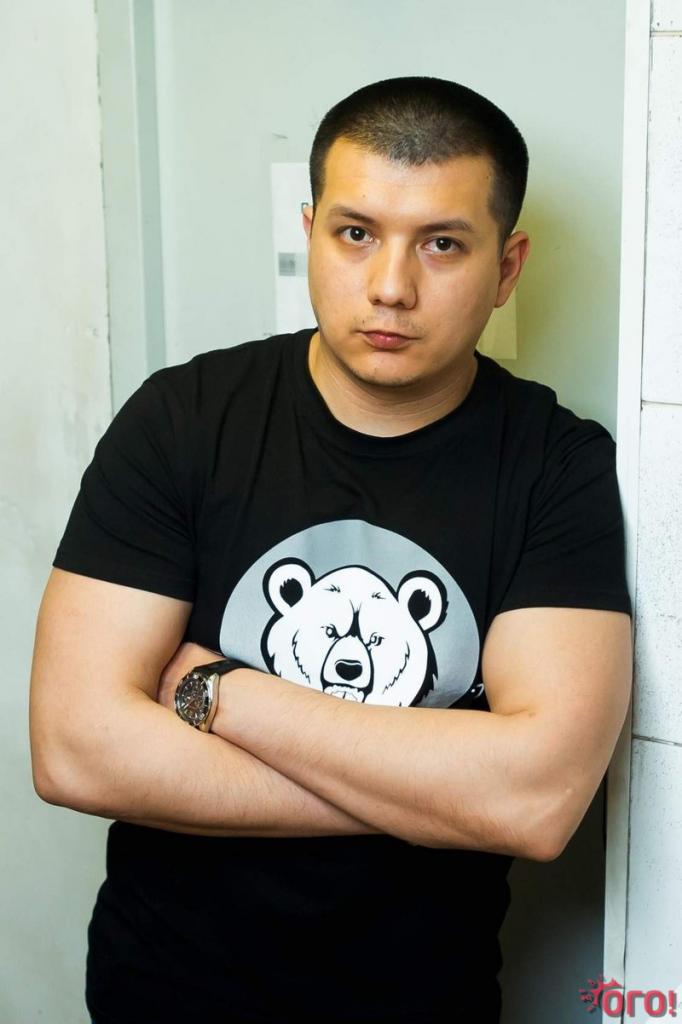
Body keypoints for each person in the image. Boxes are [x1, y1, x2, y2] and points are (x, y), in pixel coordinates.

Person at [29, 76, 633, 1024]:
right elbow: (75, 752)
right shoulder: (183, 420)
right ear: (310, 231)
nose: (391, 286)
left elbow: (535, 803)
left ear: (508, 266)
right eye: (356, 233)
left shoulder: (556, 465)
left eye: (442, 243)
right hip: (166, 994)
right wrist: (443, 793)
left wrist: (221, 693)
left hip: (421, 1003)